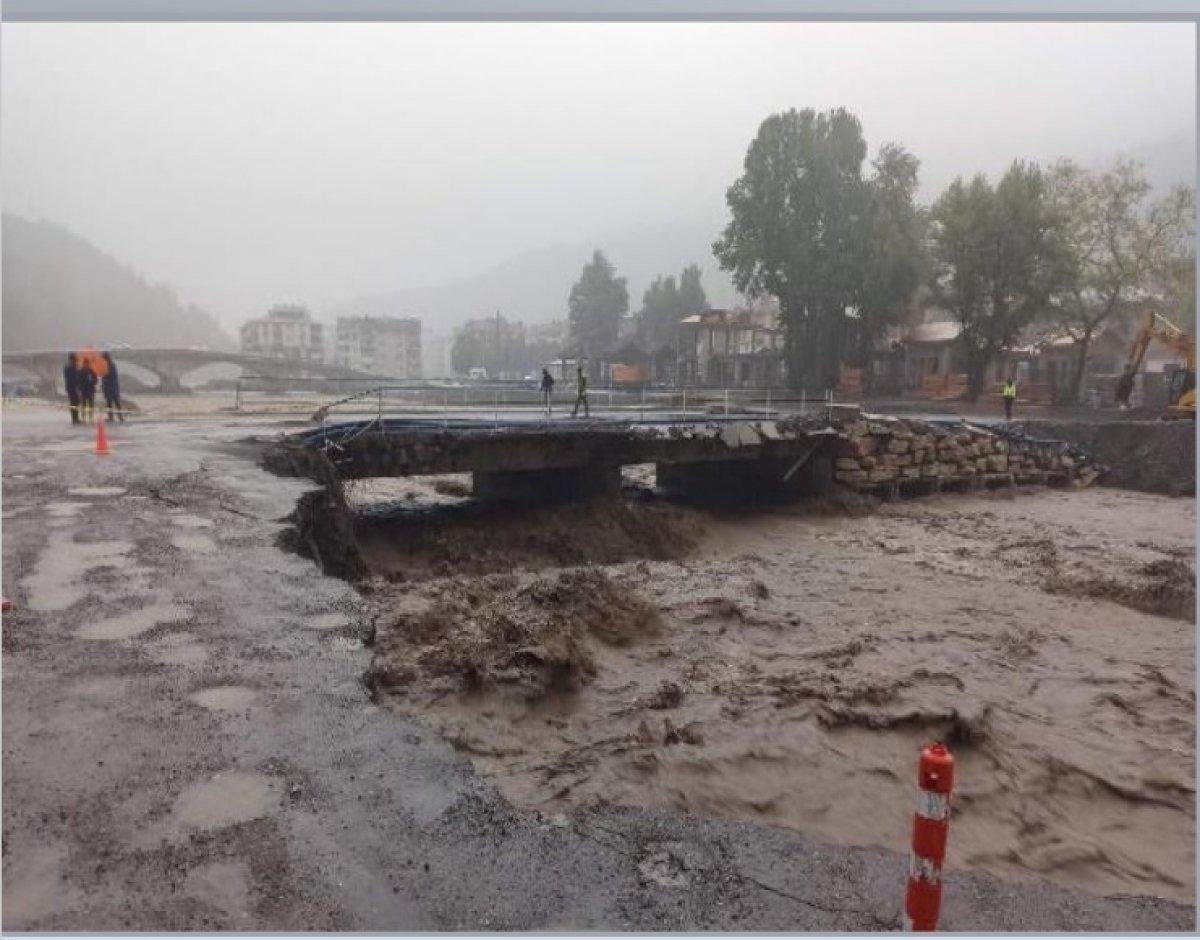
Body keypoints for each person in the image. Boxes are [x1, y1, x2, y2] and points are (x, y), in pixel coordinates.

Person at [101, 352, 124, 422]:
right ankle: (111, 417)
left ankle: (120, 416)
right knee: (109, 403)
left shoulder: (111, 366)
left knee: (116, 401)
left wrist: (104, 374)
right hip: (107, 387)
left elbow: (109, 375)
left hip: (112, 387)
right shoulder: (105, 366)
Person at [63, 352, 82, 425]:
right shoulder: (69, 367)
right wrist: (76, 370)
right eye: (75, 360)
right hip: (72, 388)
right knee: (74, 403)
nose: (75, 362)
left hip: (73, 387)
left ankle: (76, 418)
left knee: (76, 403)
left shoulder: (70, 367)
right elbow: (72, 378)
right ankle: (75, 418)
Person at [78, 359, 98, 424]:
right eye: (85, 364)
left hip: (90, 390)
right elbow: (78, 381)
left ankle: (90, 417)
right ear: (83, 364)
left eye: (87, 364)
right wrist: (80, 388)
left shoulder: (92, 372)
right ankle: (83, 417)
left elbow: (96, 380)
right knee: (83, 404)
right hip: (83, 391)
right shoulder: (80, 372)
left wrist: (92, 381)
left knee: (91, 405)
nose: (86, 365)